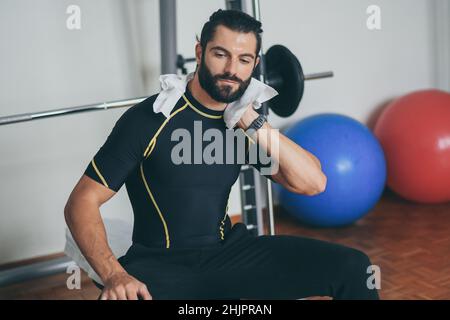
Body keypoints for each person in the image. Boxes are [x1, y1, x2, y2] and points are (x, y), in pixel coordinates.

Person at [64, 9, 379, 300]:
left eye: (244, 59)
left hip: (231, 255)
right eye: (220, 54)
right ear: (200, 53)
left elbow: (313, 183)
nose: (231, 70)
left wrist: (254, 122)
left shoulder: (243, 124)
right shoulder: (150, 119)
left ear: (255, 65)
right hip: (161, 266)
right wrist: (115, 274)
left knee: (355, 268)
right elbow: (82, 201)